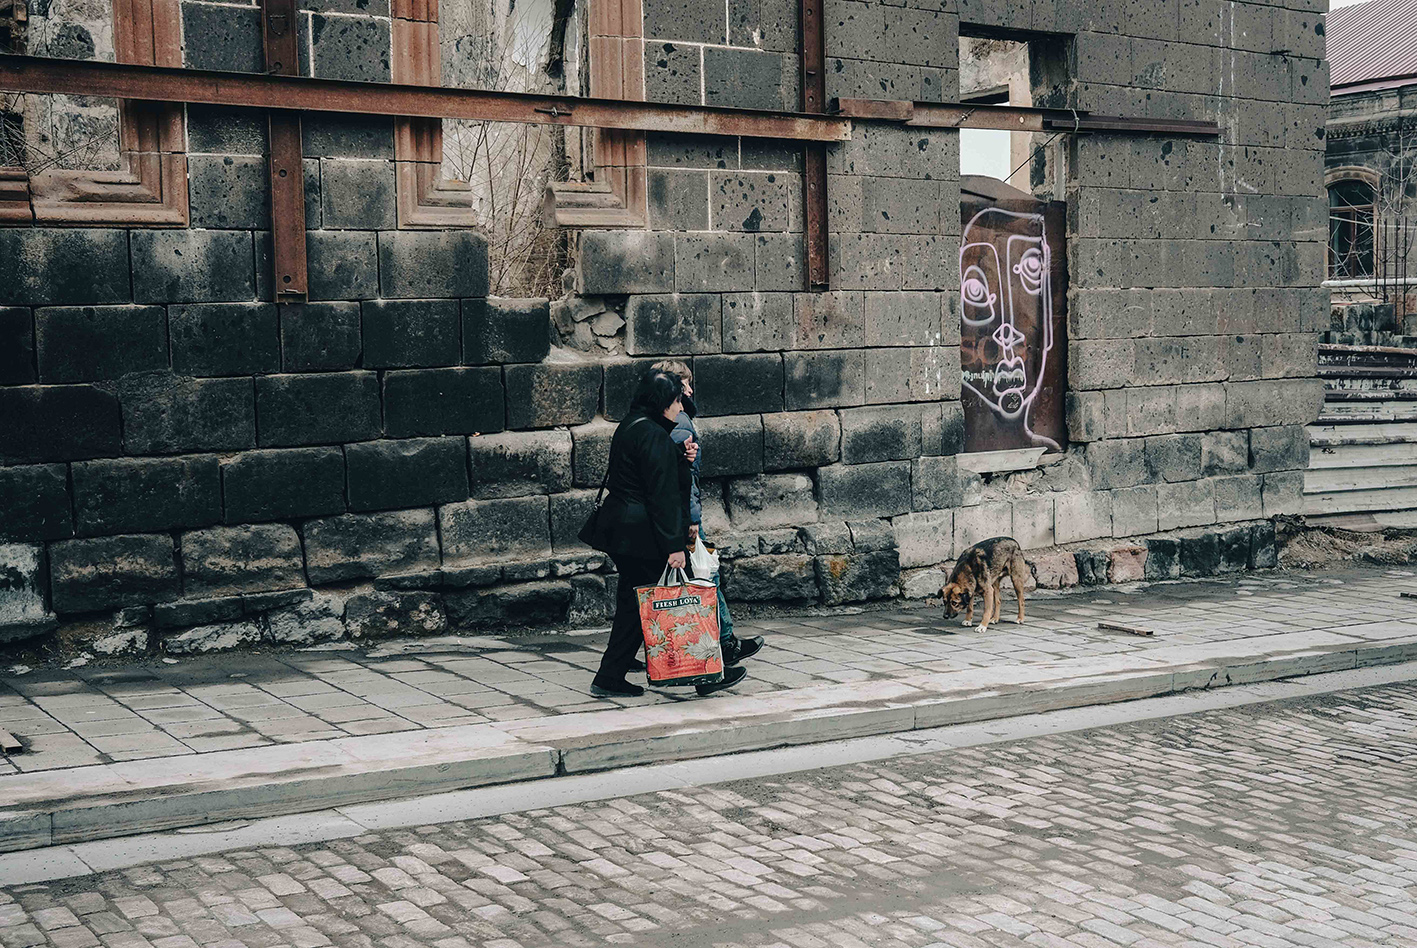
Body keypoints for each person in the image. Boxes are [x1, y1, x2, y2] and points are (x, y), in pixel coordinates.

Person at [585, 367, 748, 698]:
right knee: (676, 599)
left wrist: (679, 457)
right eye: (676, 400)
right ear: (662, 402)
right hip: (642, 534)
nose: (680, 406)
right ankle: (703, 676)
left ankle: (609, 675)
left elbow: (645, 471)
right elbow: (662, 495)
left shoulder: (633, 425)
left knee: (635, 604)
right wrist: (675, 546)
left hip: (623, 530)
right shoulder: (654, 435)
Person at [650, 360, 764, 668]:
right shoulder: (680, 422)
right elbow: (684, 479)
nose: (690, 390)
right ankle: (724, 643)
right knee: (705, 578)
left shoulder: (670, 419)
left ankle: (626, 657)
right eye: (685, 384)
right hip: (682, 517)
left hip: (672, 514)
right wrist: (693, 520)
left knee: (674, 579)